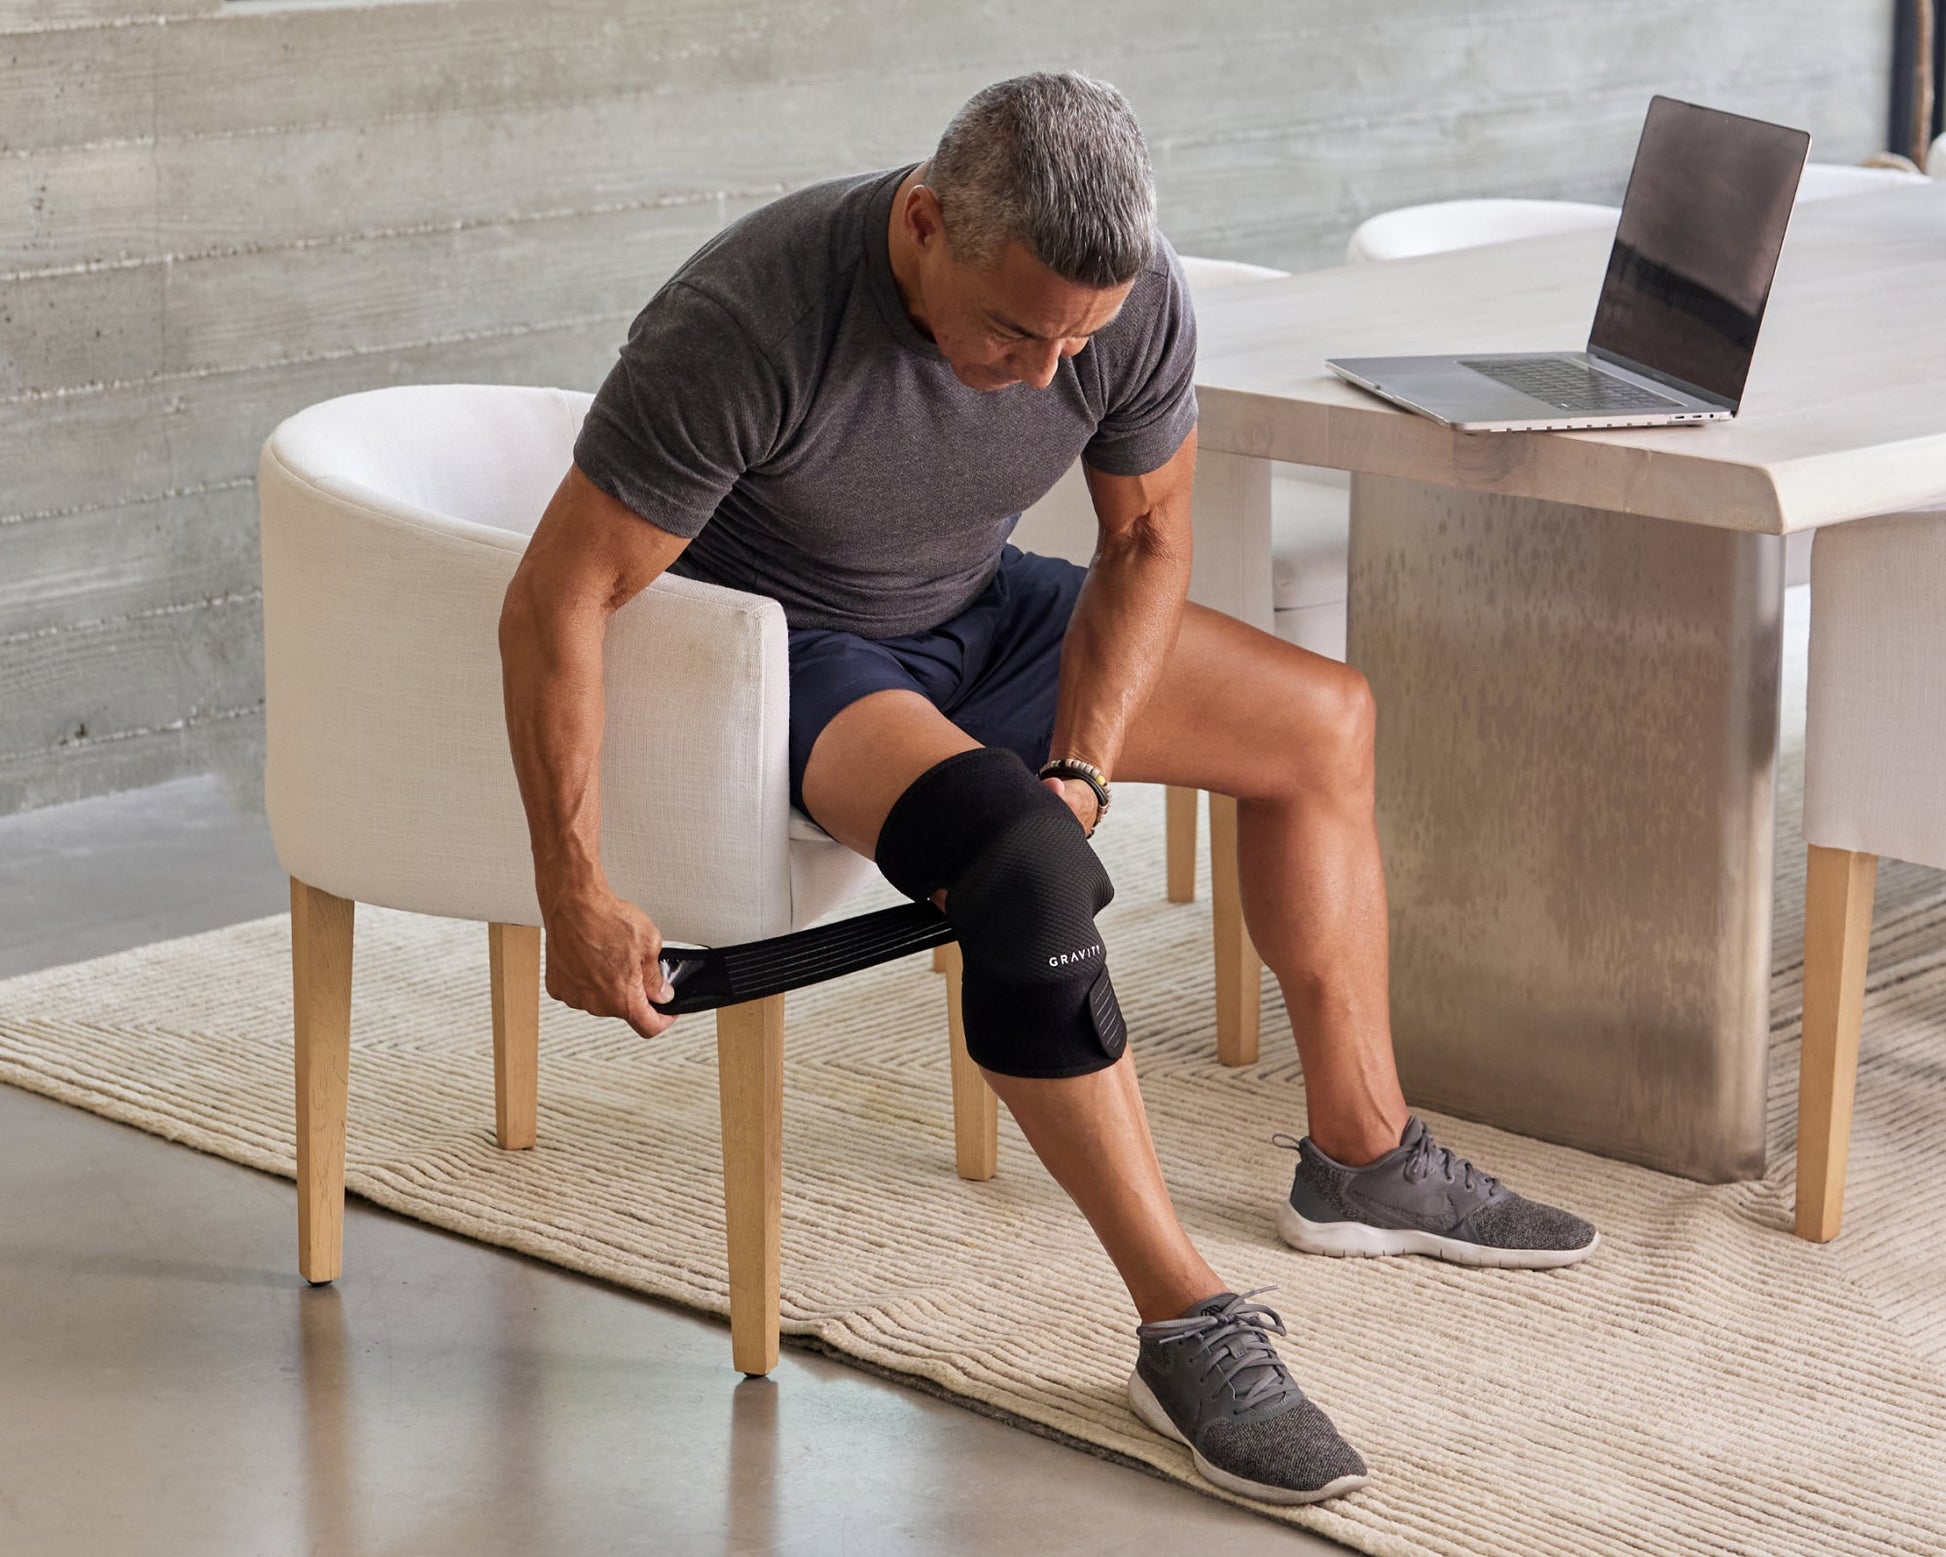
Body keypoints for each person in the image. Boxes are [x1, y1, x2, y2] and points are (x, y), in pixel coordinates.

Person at [497, 70, 1599, 1506]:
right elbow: (556, 598)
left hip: (976, 606)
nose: (1040, 374)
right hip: (786, 653)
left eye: (1071, 339)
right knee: (1022, 872)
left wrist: (1080, 750)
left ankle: (1360, 1154)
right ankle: (1180, 1319)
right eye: (1013, 328)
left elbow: (1143, 537)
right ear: (922, 221)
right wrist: (568, 881)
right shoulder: (751, 322)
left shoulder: (1122, 305)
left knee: (1321, 721)